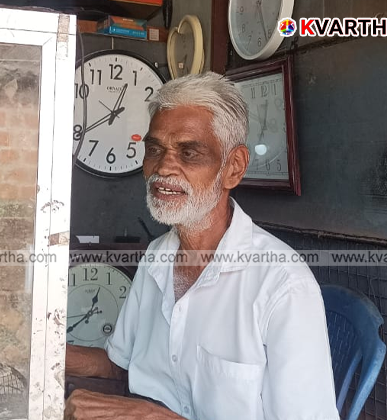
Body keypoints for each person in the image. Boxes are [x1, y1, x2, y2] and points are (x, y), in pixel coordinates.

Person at [64, 72, 339, 420]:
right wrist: (39, 351)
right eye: (155, 149)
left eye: (189, 152)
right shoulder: (156, 259)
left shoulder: (282, 286)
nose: (163, 167)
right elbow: (121, 364)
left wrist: (151, 416)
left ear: (233, 168)